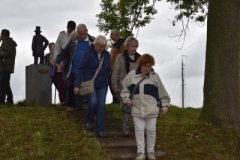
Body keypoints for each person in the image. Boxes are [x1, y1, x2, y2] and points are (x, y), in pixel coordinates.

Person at [121, 54, 170, 160]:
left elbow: (163, 93)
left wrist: (165, 106)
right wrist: (126, 99)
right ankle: (140, 152)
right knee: (139, 130)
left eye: (150, 66)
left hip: (151, 109)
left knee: (151, 130)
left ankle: (151, 152)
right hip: (137, 109)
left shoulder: (155, 76)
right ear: (141, 65)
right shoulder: (131, 75)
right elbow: (124, 89)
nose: (147, 69)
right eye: (145, 66)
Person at [74, 35, 110, 138]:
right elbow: (80, 68)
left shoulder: (106, 55)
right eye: (100, 46)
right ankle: (89, 119)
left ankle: (100, 130)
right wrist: (77, 84)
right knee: (93, 102)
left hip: (103, 83)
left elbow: (108, 69)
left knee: (101, 105)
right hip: (91, 83)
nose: (102, 49)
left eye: (104, 47)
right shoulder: (88, 54)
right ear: (95, 44)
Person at [55, 24, 95, 111]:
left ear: (87, 31)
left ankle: (83, 106)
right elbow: (65, 52)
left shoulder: (93, 42)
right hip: (74, 68)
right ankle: (72, 105)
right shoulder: (73, 41)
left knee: (85, 87)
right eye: (80, 34)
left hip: (87, 70)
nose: (81, 36)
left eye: (83, 34)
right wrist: (57, 60)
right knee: (71, 86)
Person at [111, 36, 141, 136]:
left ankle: (138, 129)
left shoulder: (140, 58)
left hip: (137, 87)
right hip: (123, 86)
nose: (134, 48)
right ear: (127, 46)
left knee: (137, 109)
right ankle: (126, 128)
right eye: (132, 46)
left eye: (135, 46)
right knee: (126, 109)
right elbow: (115, 72)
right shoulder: (120, 57)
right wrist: (115, 85)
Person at [54, 21, 76, 106]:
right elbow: (57, 49)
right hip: (64, 62)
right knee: (65, 81)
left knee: (75, 82)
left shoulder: (77, 35)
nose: (70, 29)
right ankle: (67, 100)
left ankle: (76, 101)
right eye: (69, 27)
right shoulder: (61, 36)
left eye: (72, 27)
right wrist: (57, 60)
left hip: (75, 62)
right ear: (67, 27)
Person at [0, 29, 17, 105]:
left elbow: (7, 53)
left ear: (3, 35)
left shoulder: (7, 43)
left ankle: (2, 101)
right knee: (5, 84)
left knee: (3, 84)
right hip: (6, 66)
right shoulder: (7, 42)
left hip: (5, 66)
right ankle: (9, 100)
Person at [109, 29, 126, 104]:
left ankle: (118, 100)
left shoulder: (122, 43)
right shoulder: (115, 44)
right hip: (112, 67)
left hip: (118, 68)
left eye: (111, 34)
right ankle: (115, 100)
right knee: (112, 82)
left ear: (116, 34)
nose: (110, 36)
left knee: (117, 83)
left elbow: (124, 55)